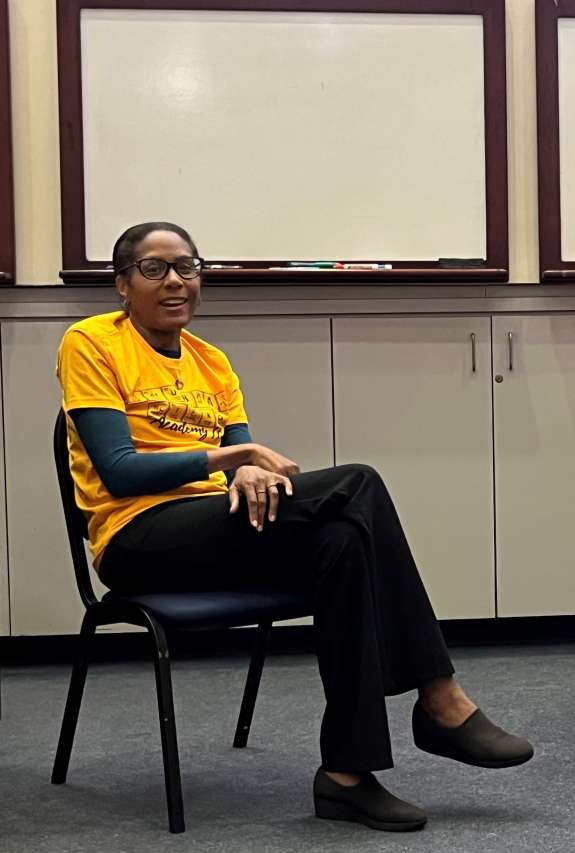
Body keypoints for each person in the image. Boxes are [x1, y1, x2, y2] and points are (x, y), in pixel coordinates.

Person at [56, 222, 534, 833]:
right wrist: (233, 460)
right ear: (122, 285)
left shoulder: (212, 362)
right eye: (153, 269)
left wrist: (247, 472)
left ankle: (345, 776)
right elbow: (119, 473)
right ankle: (440, 700)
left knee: (342, 543)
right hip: (138, 537)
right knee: (356, 483)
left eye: (188, 267)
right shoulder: (91, 342)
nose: (175, 280)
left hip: (212, 529)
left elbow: (244, 463)